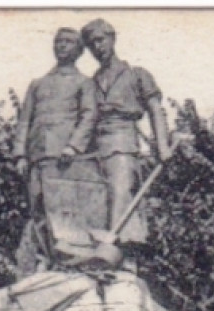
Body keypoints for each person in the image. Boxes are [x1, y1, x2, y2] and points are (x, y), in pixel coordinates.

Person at [13, 28, 100, 276]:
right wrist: (20, 154)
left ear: (79, 50)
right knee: (38, 208)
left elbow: (89, 115)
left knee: (64, 209)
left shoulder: (84, 83)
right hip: (36, 157)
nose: (62, 46)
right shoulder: (37, 84)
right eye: (58, 42)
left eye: (69, 42)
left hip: (66, 158)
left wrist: (73, 145)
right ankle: (44, 257)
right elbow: (24, 121)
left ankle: (67, 258)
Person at [81, 18, 170, 252]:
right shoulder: (91, 82)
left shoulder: (137, 74)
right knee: (98, 198)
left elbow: (155, 110)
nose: (97, 48)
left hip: (122, 142)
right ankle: (101, 253)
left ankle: (119, 249)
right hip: (95, 147)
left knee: (120, 193)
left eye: (100, 40)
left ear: (112, 38)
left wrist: (162, 146)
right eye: (91, 45)